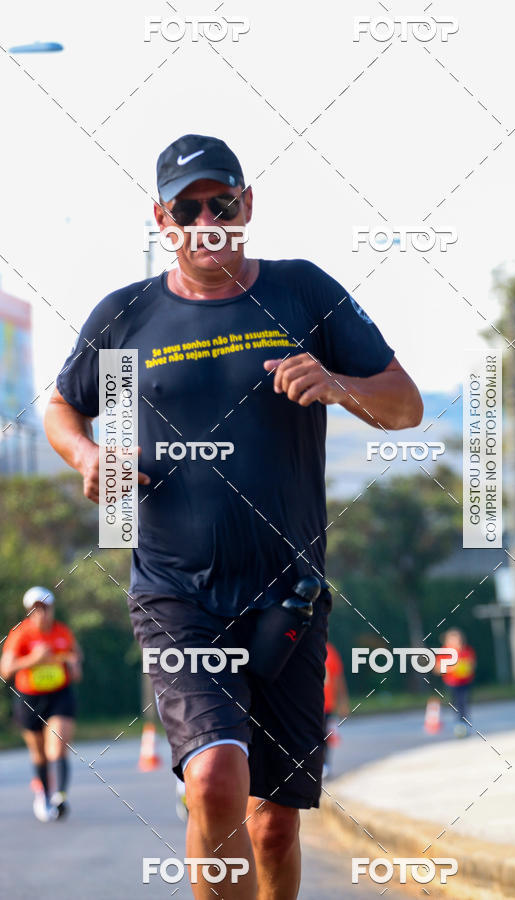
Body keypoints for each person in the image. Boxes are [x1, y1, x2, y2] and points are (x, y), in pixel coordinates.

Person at [44, 133, 423, 899]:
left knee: (276, 821)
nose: (207, 219)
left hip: (288, 594)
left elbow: (406, 403)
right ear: (162, 218)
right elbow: (61, 406)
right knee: (218, 775)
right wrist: (87, 458)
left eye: (223, 202)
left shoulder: (303, 293)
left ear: (247, 205)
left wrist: (343, 386)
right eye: (189, 208)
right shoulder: (127, 316)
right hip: (176, 591)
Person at [0, 587, 82, 821]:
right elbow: (5, 670)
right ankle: (45, 795)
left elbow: (76, 660)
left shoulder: (62, 632)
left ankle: (60, 796)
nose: (41, 614)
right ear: (29, 612)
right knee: (39, 754)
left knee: (56, 746)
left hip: (59, 695)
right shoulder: (20, 634)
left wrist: (74, 665)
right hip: (29, 699)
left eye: (45, 609)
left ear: (52, 609)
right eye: (35, 610)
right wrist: (32, 660)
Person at [438, 628, 477, 738]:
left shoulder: (467, 650)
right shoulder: (445, 651)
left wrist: (466, 667)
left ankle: (463, 724)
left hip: (465, 682)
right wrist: (452, 668)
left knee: (464, 703)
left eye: (458, 639)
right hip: (451, 683)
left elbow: (472, 664)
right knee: (456, 704)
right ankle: (459, 723)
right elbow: (438, 669)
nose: (457, 641)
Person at [323, 642, 350, 778]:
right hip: (308, 705)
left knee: (326, 736)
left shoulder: (330, 652)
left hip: (327, 705)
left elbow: (338, 678)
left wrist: (343, 702)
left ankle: (325, 765)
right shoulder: (303, 646)